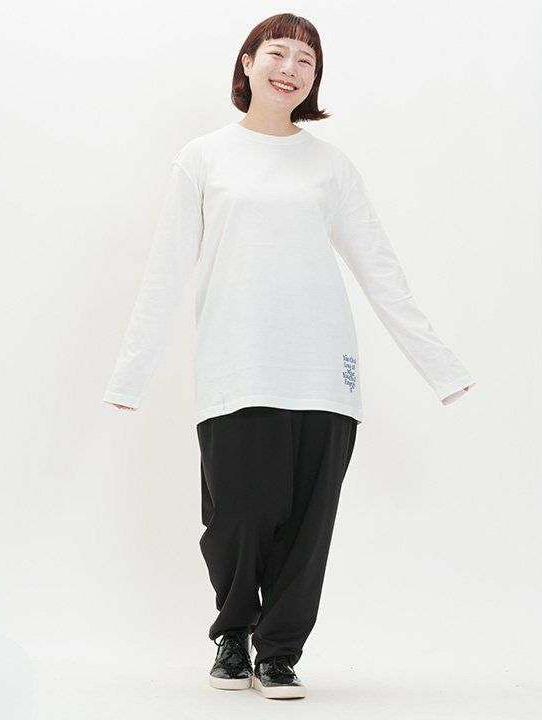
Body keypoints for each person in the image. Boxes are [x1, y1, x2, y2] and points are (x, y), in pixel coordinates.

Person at [102, 13, 474, 700]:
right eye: (277, 53)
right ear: (247, 62)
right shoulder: (203, 158)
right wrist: (132, 374)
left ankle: (278, 653)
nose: (291, 69)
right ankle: (233, 634)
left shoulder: (331, 166)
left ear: (315, 79)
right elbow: (165, 270)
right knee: (237, 516)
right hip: (235, 364)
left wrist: (443, 370)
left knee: (307, 523)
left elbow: (381, 272)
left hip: (322, 369)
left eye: (307, 61)